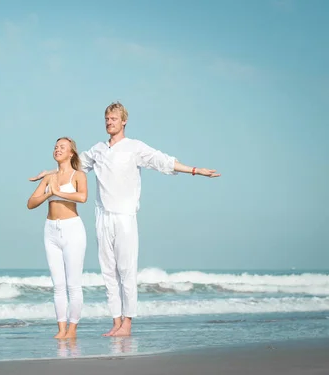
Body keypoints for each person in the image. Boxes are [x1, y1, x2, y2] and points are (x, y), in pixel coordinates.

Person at [29, 102, 221, 337]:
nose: (109, 122)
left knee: (126, 270)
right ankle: (116, 321)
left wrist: (195, 170)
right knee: (108, 272)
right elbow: (74, 166)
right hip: (103, 217)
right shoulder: (98, 150)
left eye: (114, 119)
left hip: (125, 216)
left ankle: (127, 323)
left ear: (124, 121)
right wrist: (48, 173)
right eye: (107, 119)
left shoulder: (134, 147)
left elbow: (163, 161)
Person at [27, 137, 88, 339]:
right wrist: (48, 193)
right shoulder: (48, 178)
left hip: (72, 230)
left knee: (73, 285)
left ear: (71, 153)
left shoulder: (78, 175)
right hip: (50, 230)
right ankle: (61, 330)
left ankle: (72, 330)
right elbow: (31, 202)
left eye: (62, 147)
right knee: (58, 286)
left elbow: (82, 197)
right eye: (55, 147)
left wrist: (58, 192)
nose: (57, 149)